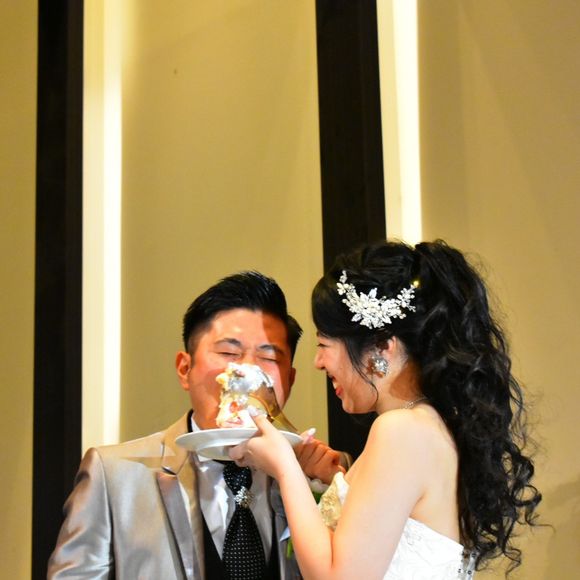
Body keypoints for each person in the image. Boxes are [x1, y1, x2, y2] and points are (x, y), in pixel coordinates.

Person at [231, 240, 542, 579]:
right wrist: (332, 482)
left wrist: (284, 465)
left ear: (382, 347)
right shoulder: (428, 424)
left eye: (324, 344)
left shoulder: (401, 430)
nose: (318, 362)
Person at [48, 271, 345, 579]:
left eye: (268, 357)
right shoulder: (114, 475)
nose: (246, 370)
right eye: (229, 352)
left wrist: (325, 487)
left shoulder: (320, 472)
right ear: (184, 368)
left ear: (290, 379)